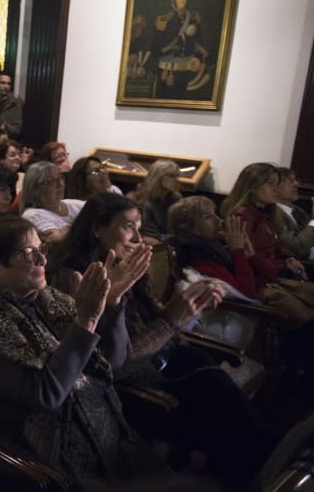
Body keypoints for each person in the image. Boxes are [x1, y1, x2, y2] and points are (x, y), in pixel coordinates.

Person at [55, 193, 278, 487]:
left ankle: (263, 468)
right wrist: (170, 318)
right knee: (216, 392)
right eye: (128, 227)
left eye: (140, 227)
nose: (138, 236)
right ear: (96, 228)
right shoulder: (78, 278)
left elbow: (157, 318)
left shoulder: (129, 263)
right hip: (127, 389)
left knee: (212, 382)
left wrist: (189, 300)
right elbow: (111, 365)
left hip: (161, 362)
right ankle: (269, 471)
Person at [0, 215, 164, 483]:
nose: (43, 260)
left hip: (111, 435)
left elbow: (113, 364)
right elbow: (46, 394)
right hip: (53, 460)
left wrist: (112, 302)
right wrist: (86, 321)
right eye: (29, 253)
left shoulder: (49, 297)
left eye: (42, 249)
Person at [220, 163, 308, 282]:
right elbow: (250, 259)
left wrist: (289, 259)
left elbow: (275, 246)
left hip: (274, 274)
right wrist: (284, 265)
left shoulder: (266, 212)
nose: (276, 189)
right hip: (262, 281)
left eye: (277, 184)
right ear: (252, 187)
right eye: (270, 183)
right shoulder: (242, 216)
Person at [153, 0, 212, 98]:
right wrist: (169, 48)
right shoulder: (163, 19)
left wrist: (198, 58)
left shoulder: (193, 18)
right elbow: (154, 50)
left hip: (187, 74)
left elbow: (199, 43)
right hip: (165, 73)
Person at [20, 161, 85, 244]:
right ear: (36, 189)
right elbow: (59, 240)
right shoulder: (32, 214)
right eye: (51, 181)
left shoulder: (71, 203)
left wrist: (68, 229)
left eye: (60, 177)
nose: (60, 184)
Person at [140, 159, 182, 244]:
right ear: (158, 176)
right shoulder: (146, 202)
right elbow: (150, 236)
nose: (176, 180)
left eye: (177, 176)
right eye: (171, 176)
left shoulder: (176, 198)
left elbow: (183, 232)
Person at [275, 168, 314, 260]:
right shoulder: (272, 213)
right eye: (290, 181)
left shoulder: (298, 210)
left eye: (296, 180)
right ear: (274, 186)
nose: (296, 184)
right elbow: (297, 248)